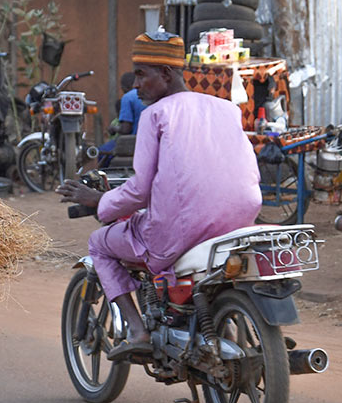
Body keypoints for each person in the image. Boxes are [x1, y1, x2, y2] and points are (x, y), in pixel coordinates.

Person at [57, 30, 261, 360]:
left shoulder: (155, 114)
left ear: (166, 74)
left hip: (182, 230)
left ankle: (138, 331)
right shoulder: (226, 109)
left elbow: (139, 191)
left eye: (142, 74)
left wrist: (98, 201)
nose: (136, 84)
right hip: (240, 221)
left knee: (100, 243)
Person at [97, 71, 144, 167]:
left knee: (102, 152)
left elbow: (126, 129)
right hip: (152, 141)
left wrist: (114, 129)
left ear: (124, 88)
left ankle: (108, 179)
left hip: (133, 142)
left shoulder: (128, 97)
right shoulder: (153, 94)